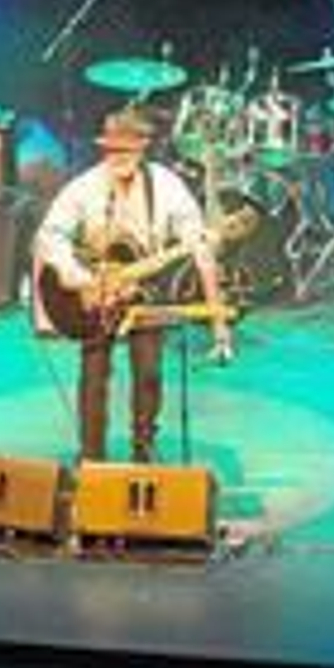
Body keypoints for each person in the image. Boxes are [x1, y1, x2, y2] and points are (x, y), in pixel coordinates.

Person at [34, 108, 234, 463]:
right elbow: (48, 237)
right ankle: (91, 454)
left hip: (146, 288)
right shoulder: (85, 186)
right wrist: (80, 278)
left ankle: (144, 448)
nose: (116, 158)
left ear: (143, 148)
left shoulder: (167, 185)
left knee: (149, 371)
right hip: (93, 291)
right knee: (94, 373)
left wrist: (220, 327)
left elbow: (200, 250)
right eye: (110, 150)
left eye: (125, 151)